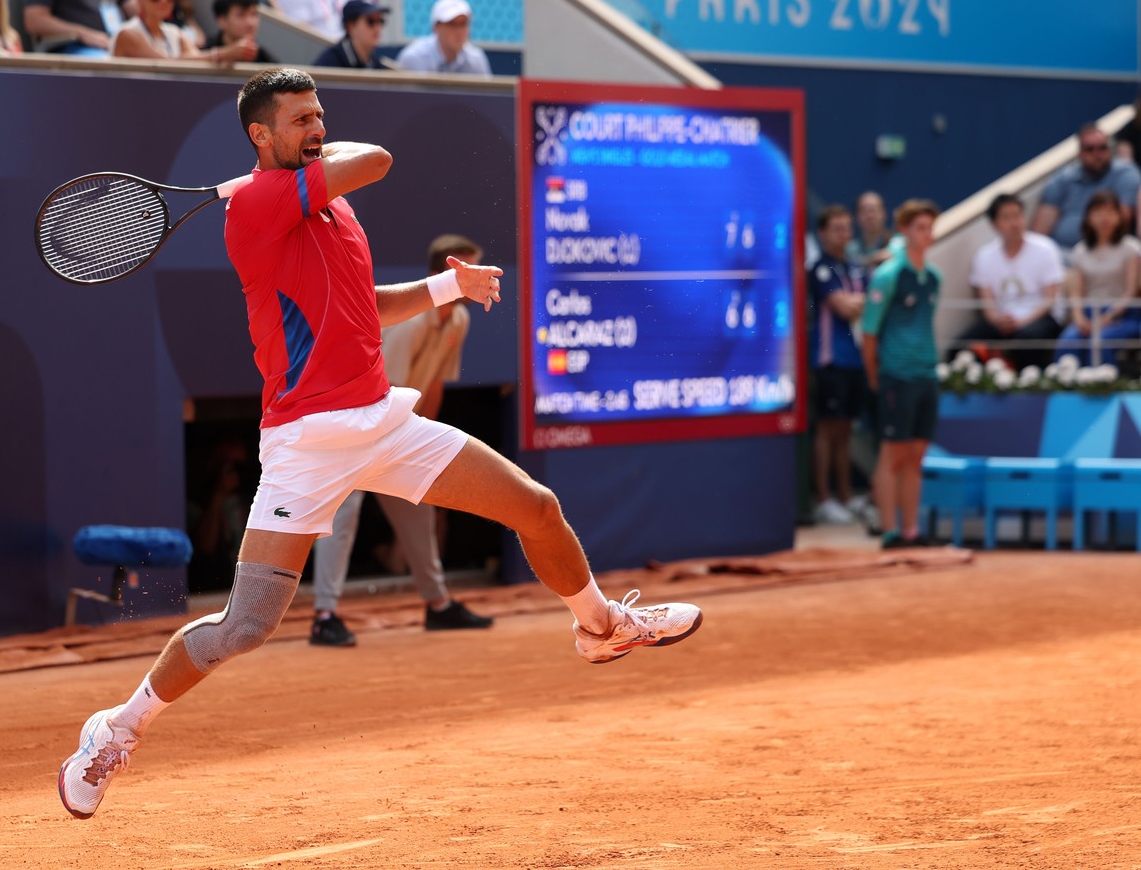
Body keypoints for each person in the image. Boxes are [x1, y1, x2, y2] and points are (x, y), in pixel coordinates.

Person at [56, 68, 705, 820]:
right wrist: (281, 173)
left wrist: (445, 288)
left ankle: (600, 626)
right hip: (306, 441)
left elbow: (365, 307)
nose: (317, 127)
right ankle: (117, 728)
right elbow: (377, 160)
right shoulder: (261, 203)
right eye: (300, 119)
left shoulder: (329, 211)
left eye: (320, 114)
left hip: (383, 422)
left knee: (536, 505)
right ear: (260, 135)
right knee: (247, 625)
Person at [309, 234, 495, 647]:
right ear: (440, 274)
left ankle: (438, 606)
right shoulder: (410, 319)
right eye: (465, 270)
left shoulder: (460, 320)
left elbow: (436, 385)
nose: (475, 278)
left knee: (419, 513)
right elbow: (381, 386)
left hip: (397, 428)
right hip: (358, 425)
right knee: (342, 518)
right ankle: (324, 615)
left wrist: (421, 445)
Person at [861, 200, 943, 551]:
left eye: (930, 227)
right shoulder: (888, 275)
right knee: (891, 454)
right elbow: (869, 331)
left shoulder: (934, 278)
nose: (927, 234)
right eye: (920, 227)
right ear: (905, 231)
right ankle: (889, 530)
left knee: (916, 456)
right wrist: (875, 376)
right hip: (896, 374)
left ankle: (911, 530)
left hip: (926, 374)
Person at [952, 193, 1064, 371]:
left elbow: (1050, 300)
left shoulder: (1045, 248)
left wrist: (1021, 322)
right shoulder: (984, 256)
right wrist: (998, 319)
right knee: (958, 348)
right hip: (1001, 320)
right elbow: (987, 304)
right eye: (1006, 217)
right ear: (994, 224)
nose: (1014, 223)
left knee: (1026, 341)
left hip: (1039, 317)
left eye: (1017, 215)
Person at [807, 205, 867, 526]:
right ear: (823, 233)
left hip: (856, 359)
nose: (844, 234)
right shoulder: (820, 269)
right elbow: (844, 308)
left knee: (845, 430)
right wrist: (858, 302)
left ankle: (846, 495)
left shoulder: (854, 268)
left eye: (847, 228)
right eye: (837, 228)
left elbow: (870, 304)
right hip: (830, 358)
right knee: (827, 430)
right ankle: (823, 498)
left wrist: (858, 303)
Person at [1057, 189, 1141, 366]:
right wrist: (1079, 318)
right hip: (1089, 312)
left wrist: (1107, 318)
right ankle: (1067, 387)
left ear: (1120, 216)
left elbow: (1131, 291)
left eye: (1111, 212)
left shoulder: (1131, 248)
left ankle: (1102, 386)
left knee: (1101, 340)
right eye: (1098, 212)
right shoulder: (1080, 251)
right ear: (1088, 217)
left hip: (1123, 315)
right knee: (1069, 340)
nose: (1105, 218)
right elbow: (1077, 292)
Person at [1032, 124, 1141, 247]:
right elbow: (1038, 235)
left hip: (1102, 254)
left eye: (1102, 148)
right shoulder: (1063, 179)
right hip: (1060, 254)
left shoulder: (1126, 174)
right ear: (1079, 154)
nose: (1097, 154)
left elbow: (1118, 224)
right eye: (1090, 149)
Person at [110, 0, 210, 61]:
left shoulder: (175, 34)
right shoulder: (127, 33)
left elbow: (198, 61)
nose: (164, 0)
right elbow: (167, 66)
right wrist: (220, 55)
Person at [395, 0, 491, 76]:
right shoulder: (413, 58)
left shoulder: (477, 60)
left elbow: (487, 96)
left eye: (463, 24)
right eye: (452, 24)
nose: (458, 31)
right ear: (436, 27)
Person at [312, 0, 388, 70]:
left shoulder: (375, 64)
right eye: (370, 21)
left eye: (380, 21)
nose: (377, 28)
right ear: (350, 26)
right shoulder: (328, 65)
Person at [202, 0, 272, 63]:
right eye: (241, 15)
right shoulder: (204, 53)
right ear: (222, 21)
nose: (250, 23)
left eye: (254, 14)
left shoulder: (263, 58)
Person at [846, 190, 894, 269]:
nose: (870, 216)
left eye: (873, 210)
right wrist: (871, 260)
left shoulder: (897, 243)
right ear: (856, 216)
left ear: (884, 213)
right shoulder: (849, 249)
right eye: (864, 211)